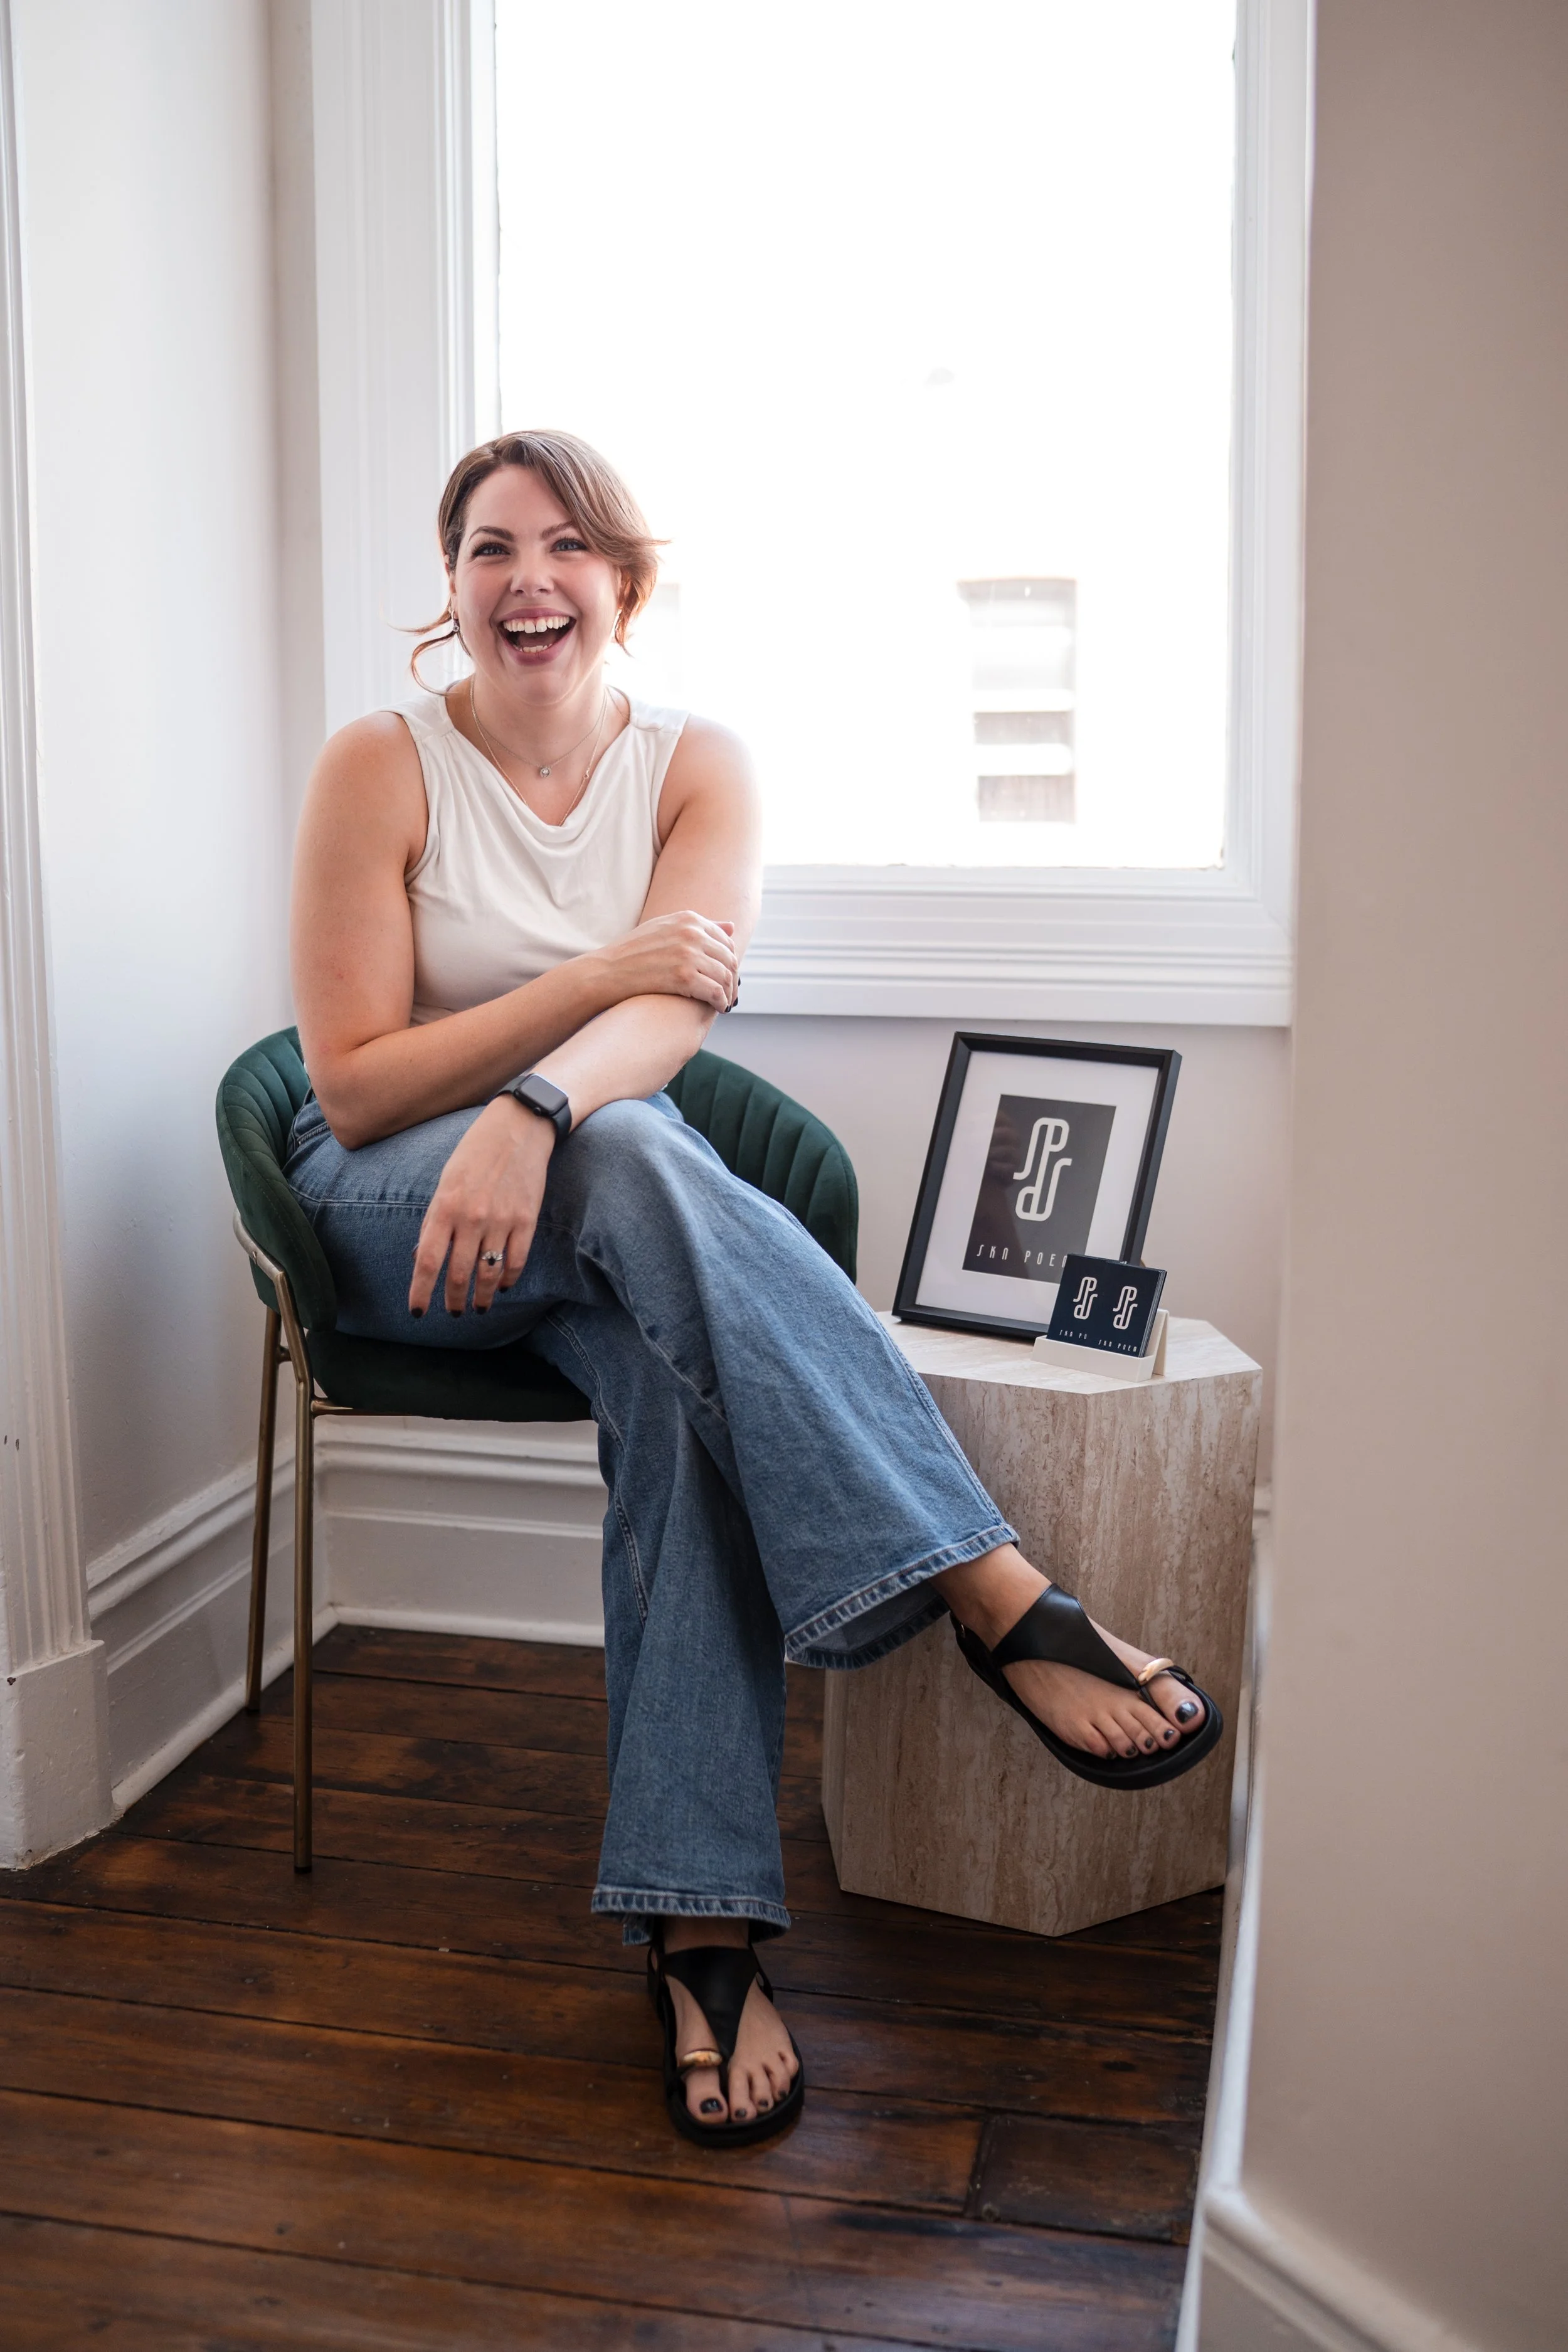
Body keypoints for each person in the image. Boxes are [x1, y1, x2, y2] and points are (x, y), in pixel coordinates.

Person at [286, 430, 1219, 2149]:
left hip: (572, 1191)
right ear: (453, 590)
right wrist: (571, 1014)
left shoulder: (697, 764)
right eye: (487, 549)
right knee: (632, 1157)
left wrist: (543, 1100)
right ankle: (989, 1585)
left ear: (624, 585)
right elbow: (347, 1083)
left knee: (668, 1354)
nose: (525, 578)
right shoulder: (382, 762)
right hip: (389, 1210)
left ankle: (698, 1923)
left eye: (564, 545)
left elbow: (670, 1025)